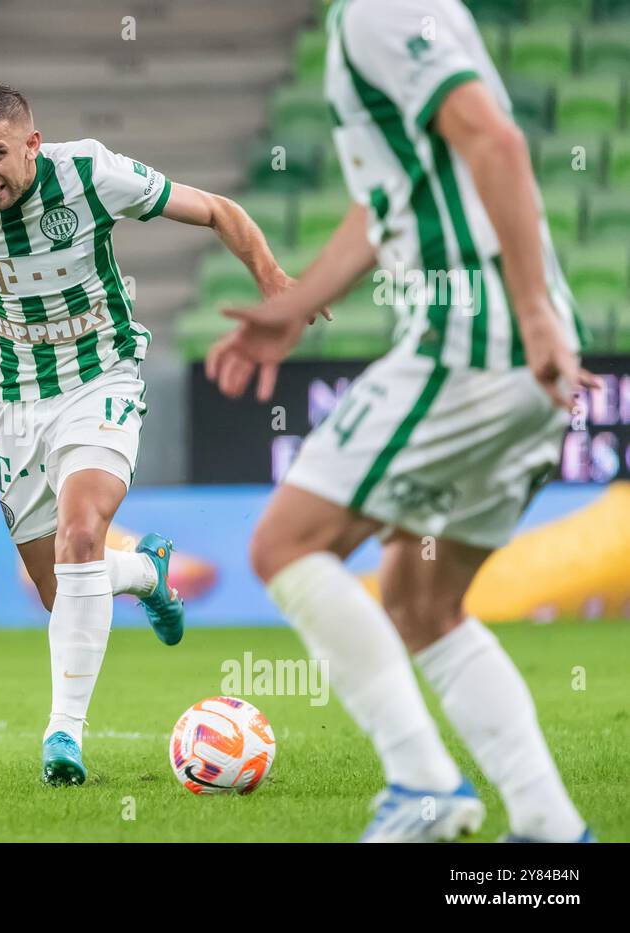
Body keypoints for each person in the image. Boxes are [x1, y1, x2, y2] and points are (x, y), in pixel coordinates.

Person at [205, 0, 595, 841]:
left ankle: (423, 784)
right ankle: (550, 832)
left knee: (285, 544)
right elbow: (396, 194)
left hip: (476, 337)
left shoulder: (381, 11)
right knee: (424, 601)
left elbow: (497, 141)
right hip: (515, 344)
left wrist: (529, 316)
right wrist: (298, 303)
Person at [0, 81, 291, 785]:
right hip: (14, 401)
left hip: (99, 379)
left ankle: (63, 737)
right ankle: (146, 571)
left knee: (81, 533)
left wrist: (272, 281)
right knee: (63, 593)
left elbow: (216, 210)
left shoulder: (88, 174)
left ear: (32, 143)